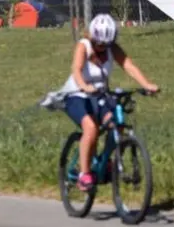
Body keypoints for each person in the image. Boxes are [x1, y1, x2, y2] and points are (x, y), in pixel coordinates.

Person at [60, 13, 159, 191]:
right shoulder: (84, 46)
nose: (102, 47)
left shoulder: (111, 48)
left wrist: (147, 85)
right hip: (76, 95)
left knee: (117, 125)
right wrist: (84, 86)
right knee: (91, 128)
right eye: (99, 43)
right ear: (92, 36)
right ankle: (84, 174)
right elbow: (76, 69)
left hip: (98, 95)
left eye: (106, 44)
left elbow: (128, 65)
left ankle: (106, 160)